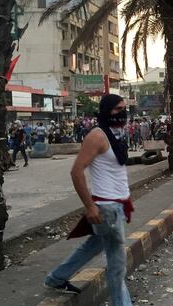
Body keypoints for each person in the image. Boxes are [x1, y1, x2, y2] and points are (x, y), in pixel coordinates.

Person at [44, 95, 133, 305]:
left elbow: (116, 169)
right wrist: (90, 206)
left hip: (118, 204)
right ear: (106, 110)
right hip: (107, 207)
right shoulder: (97, 136)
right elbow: (76, 172)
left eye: (124, 108)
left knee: (94, 245)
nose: (122, 112)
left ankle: (56, 278)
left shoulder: (115, 133)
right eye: (117, 109)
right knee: (117, 265)